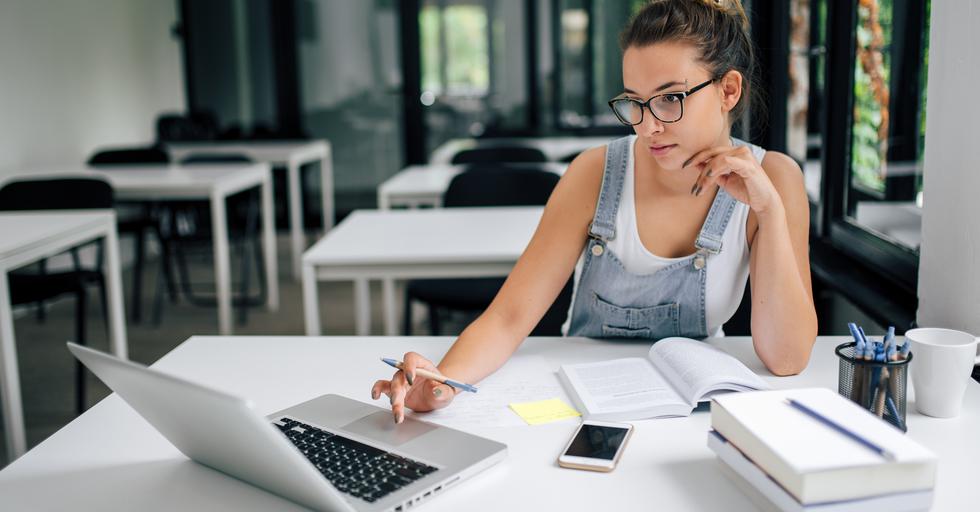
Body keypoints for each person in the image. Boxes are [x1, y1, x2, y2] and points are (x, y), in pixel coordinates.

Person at [372, 0, 817, 423]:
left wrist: (770, 212)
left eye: (669, 99)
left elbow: (787, 358)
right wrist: (443, 383)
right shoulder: (596, 172)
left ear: (728, 90)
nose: (648, 126)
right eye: (634, 103)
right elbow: (508, 319)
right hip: (582, 404)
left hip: (694, 411)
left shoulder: (775, 178)